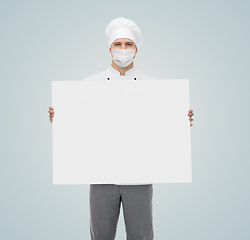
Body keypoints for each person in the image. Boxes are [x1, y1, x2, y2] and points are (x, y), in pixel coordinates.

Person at [48, 17, 194, 240]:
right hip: (101, 176)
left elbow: (164, 129)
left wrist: (180, 120)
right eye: (118, 44)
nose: (123, 49)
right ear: (110, 49)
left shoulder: (154, 86)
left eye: (128, 44)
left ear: (136, 50)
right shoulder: (89, 84)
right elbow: (78, 127)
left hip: (140, 176)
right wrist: (61, 118)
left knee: (141, 236)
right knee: (101, 235)